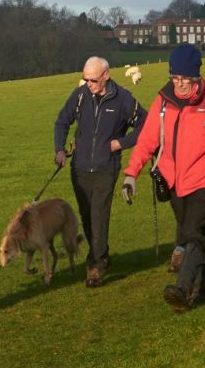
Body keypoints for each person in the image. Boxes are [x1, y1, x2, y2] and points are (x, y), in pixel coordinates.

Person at [122, 44, 205, 312]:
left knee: (192, 235)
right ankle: (203, 288)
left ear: (196, 77)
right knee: (192, 234)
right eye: (175, 78)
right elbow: (147, 140)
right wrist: (131, 174)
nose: (179, 84)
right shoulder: (163, 101)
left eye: (185, 79)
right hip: (173, 183)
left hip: (204, 181)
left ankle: (182, 289)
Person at [52, 56, 146, 287]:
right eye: (86, 79)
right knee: (87, 217)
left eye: (93, 80)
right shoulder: (80, 95)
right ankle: (101, 255)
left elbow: (146, 123)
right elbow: (62, 121)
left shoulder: (123, 99)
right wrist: (60, 150)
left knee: (99, 216)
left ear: (106, 75)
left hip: (106, 166)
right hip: (80, 168)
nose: (89, 84)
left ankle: (95, 266)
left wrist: (122, 143)